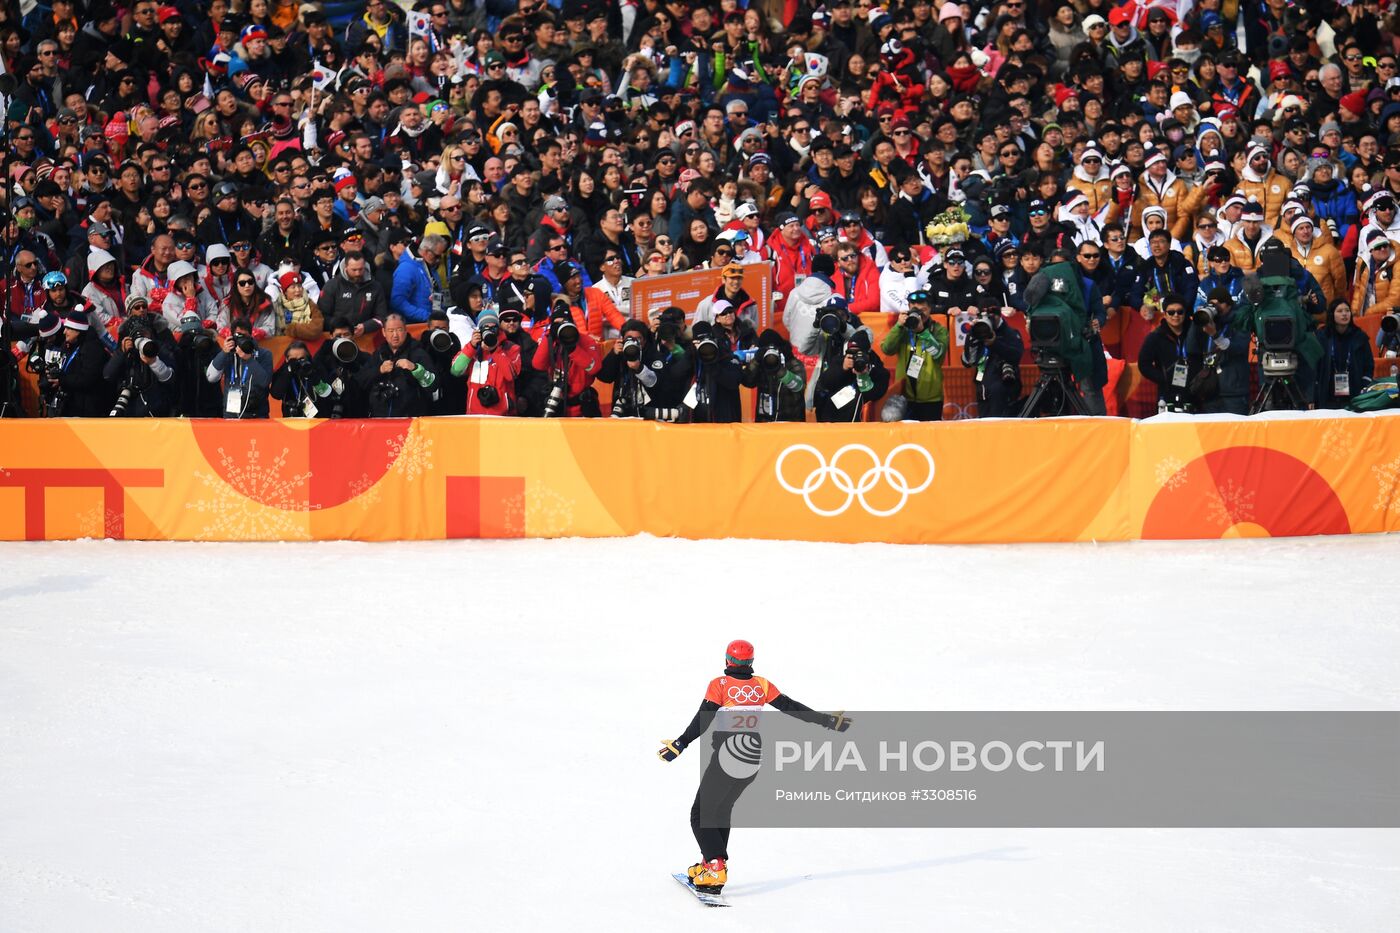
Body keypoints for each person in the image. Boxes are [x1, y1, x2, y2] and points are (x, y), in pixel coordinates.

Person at [657, 639, 850, 896]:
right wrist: (828, 721)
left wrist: (679, 744)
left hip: (729, 754)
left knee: (700, 813)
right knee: (720, 810)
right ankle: (711, 867)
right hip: (753, 756)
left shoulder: (720, 684)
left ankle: (714, 866)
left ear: (727, 660)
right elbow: (790, 707)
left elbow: (703, 719)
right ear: (751, 662)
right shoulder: (761, 685)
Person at [596, 319, 692, 421]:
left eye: (638, 339)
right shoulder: (620, 354)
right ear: (622, 339)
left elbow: (656, 383)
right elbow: (604, 377)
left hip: (650, 413)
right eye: (629, 338)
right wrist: (613, 354)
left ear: (645, 340)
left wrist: (639, 369)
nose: (634, 342)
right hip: (622, 412)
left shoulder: (655, 356)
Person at [880, 290, 949, 420]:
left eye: (923, 309)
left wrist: (922, 332)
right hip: (904, 396)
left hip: (930, 398)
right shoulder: (903, 329)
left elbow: (938, 355)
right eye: (915, 309)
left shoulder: (939, 330)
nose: (920, 313)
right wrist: (898, 326)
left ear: (930, 309)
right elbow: (887, 349)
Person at [356, 312, 439, 417]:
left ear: (405, 330)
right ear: (384, 332)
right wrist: (379, 370)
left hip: (411, 421)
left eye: (399, 330)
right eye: (390, 331)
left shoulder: (418, 353)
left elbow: (433, 385)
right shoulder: (378, 354)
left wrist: (416, 369)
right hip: (379, 421)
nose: (395, 335)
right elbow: (359, 381)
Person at [1185, 288, 1251, 416]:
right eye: (1212, 304)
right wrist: (1197, 321)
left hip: (1234, 391)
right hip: (1210, 389)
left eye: (1219, 304)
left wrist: (1215, 335)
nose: (1216, 308)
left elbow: (1238, 348)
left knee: (1237, 433)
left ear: (1229, 304)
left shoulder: (1240, 319)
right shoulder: (1208, 323)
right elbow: (1191, 348)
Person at [960, 300, 1024, 418]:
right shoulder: (977, 333)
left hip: (1005, 389)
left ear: (999, 314)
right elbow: (968, 362)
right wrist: (972, 338)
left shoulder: (1010, 333)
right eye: (984, 314)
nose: (989, 317)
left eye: (992, 313)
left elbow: (1016, 355)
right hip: (983, 388)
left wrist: (995, 343)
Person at [450, 309, 521, 415]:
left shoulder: (511, 348)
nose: (490, 331)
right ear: (479, 330)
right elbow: (456, 370)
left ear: (499, 329)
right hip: (475, 413)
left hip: (503, 414)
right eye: (485, 328)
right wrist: (472, 346)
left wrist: (495, 351)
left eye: (493, 328)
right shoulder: (472, 350)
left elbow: (511, 375)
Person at [1137, 293, 1196, 413]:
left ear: (1185, 313)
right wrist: (1164, 378)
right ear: (1164, 314)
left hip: (1194, 390)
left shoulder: (1195, 332)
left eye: (1180, 312)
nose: (1176, 315)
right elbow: (1143, 364)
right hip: (1167, 392)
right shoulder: (1155, 337)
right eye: (1171, 312)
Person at [814, 330, 890, 422]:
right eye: (851, 353)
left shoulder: (877, 369)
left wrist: (863, 376)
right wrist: (842, 369)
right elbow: (824, 383)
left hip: (860, 423)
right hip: (832, 419)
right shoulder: (839, 362)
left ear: (868, 353)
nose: (855, 357)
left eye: (859, 353)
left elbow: (874, 395)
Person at [205, 316, 273, 419]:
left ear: (251, 335)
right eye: (238, 336)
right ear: (232, 336)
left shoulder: (264, 354)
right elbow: (211, 377)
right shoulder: (228, 353)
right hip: (231, 415)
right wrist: (223, 353)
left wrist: (249, 360)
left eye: (244, 336)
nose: (241, 340)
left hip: (257, 415)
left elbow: (264, 382)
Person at [1314, 298, 1374, 410]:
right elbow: (1313, 365)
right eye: (1340, 311)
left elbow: (1369, 364)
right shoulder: (1322, 336)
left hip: (1355, 394)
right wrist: (1314, 391)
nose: (1344, 314)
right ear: (1332, 314)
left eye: (1347, 310)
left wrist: (1365, 384)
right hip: (1327, 395)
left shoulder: (1359, 336)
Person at [740, 328, 806, 422]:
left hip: (791, 421)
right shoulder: (761, 363)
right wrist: (756, 361)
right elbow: (747, 381)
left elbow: (799, 387)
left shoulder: (792, 363)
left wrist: (779, 369)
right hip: (764, 422)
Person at [268, 341, 331, 418]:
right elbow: (276, 394)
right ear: (287, 360)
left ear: (307, 357)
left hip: (317, 420)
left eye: (301, 359)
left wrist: (312, 375)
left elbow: (326, 393)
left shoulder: (316, 368)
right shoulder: (283, 371)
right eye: (293, 360)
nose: (297, 362)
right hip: (291, 420)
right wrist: (289, 371)